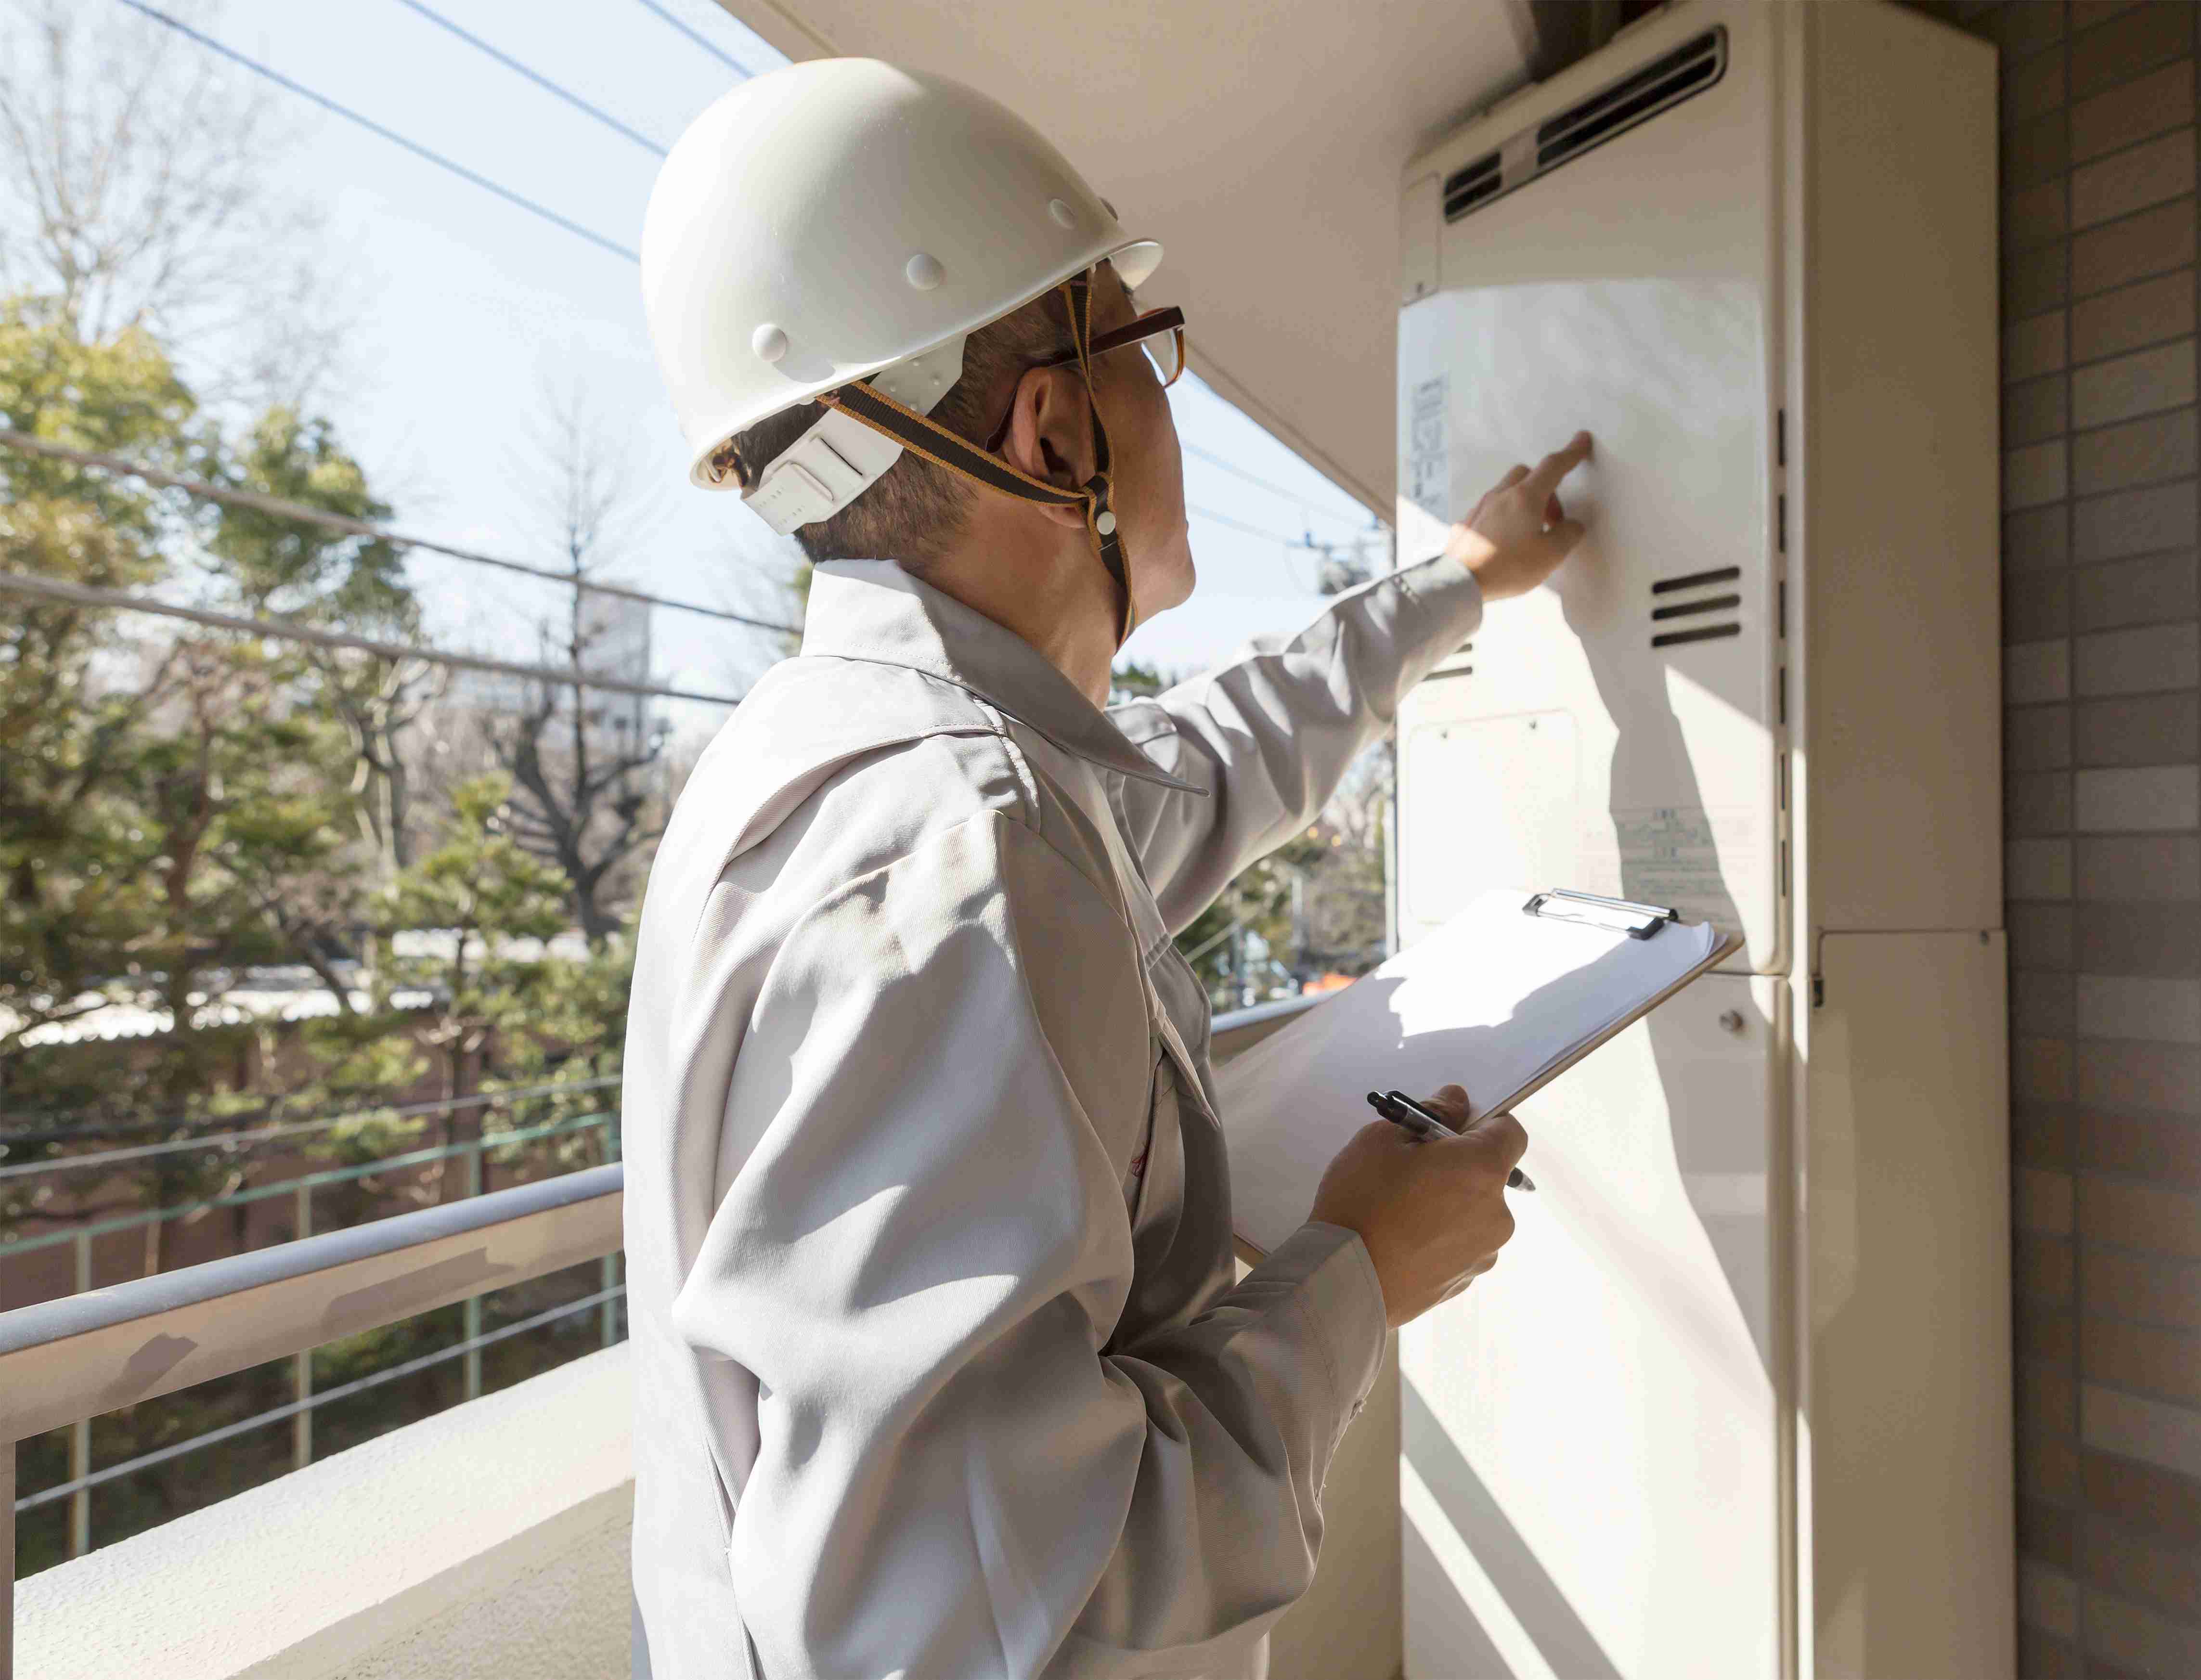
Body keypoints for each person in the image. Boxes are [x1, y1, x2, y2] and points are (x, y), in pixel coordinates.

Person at [625, 58, 1593, 1680]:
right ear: (1055, 421)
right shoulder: (963, 862)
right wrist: (1359, 1272)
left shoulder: (870, 767)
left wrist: (1455, 583)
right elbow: (959, 1628)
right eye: (1143, 352)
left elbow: (1200, 767)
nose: (1172, 398)